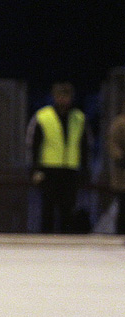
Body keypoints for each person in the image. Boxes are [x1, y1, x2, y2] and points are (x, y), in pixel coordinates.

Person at [26, 82, 92, 233]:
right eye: (60, 96)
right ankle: (47, 242)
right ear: (54, 96)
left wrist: (85, 169)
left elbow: (85, 146)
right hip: (48, 169)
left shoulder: (79, 118)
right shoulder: (43, 116)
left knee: (67, 209)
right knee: (47, 208)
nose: (63, 99)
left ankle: (66, 244)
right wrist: (35, 169)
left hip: (70, 169)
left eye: (66, 96)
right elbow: (33, 145)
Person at [106, 104, 125, 235]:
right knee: (123, 208)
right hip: (123, 175)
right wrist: (121, 158)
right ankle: (120, 235)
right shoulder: (120, 124)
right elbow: (112, 144)